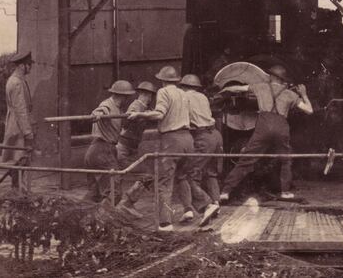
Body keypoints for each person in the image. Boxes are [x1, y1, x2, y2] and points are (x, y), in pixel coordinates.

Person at [218, 65, 313, 201]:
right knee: (286, 160)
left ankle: (225, 192)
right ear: (282, 80)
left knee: (247, 159)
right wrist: (304, 94)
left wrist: (225, 89)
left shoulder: (260, 87)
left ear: (273, 77)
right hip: (281, 126)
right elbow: (309, 110)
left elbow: (238, 88)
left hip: (264, 125)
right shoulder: (290, 94)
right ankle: (285, 192)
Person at [127, 66, 195, 231]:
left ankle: (165, 223)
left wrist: (139, 114)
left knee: (164, 182)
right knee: (182, 176)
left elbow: (160, 114)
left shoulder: (164, 92)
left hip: (172, 139)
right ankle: (188, 210)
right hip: (188, 139)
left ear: (163, 80)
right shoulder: (183, 94)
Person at [179, 74, 222, 226]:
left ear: (183, 86)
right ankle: (216, 204)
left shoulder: (184, 98)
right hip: (216, 135)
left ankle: (206, 205)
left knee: (187, 174)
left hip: (202, 137)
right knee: (211, 172)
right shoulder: (203, 97)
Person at [84, 80, 136, 204]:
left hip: (96, 151)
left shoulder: (117, 109)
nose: (128, 99)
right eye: (128, 97)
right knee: (114, 191)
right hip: (102, 150)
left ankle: (81, 215)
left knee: (95, 192)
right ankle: (104, 218)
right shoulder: (108, 105)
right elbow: (101, 110)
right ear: (123, 96)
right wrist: (97, 114)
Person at [116, 81, 158, 217]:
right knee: (146, 175)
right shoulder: (136, 105)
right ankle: (125, 204)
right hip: (124, 148)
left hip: (131, 148)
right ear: (146, 95)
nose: (150, 98)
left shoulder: (145, 108)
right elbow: (126, 121)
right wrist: (136, 115)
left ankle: (124, 204)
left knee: (143, 175)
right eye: (149, 95)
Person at [3, 50, 35, 188]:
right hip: (19, 127)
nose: (30, 68)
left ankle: (18, 190)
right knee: (20, 159)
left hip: (16, 124)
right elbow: (20, 109)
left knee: (19, 159)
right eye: (29, 65)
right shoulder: (16, 83)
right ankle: (19, 192)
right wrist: (27, 131)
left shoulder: (16, 80)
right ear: (22, 66)